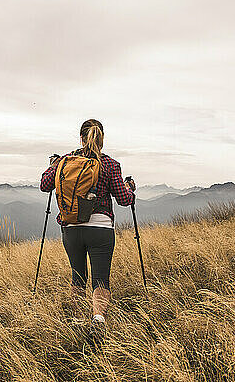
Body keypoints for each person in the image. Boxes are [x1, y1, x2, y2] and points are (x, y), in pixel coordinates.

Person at [40, 119, 136, 329]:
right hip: (100, 229)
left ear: (80, 138)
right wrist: (130, 188)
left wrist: (53, 166)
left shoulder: (65, 162)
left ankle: (75, 322)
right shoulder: (110, 165)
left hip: (71, 229)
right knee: (100, 280)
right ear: (102, 140)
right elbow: (124, 199)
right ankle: (98, 319)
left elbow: (44, 185)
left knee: (78, 278)